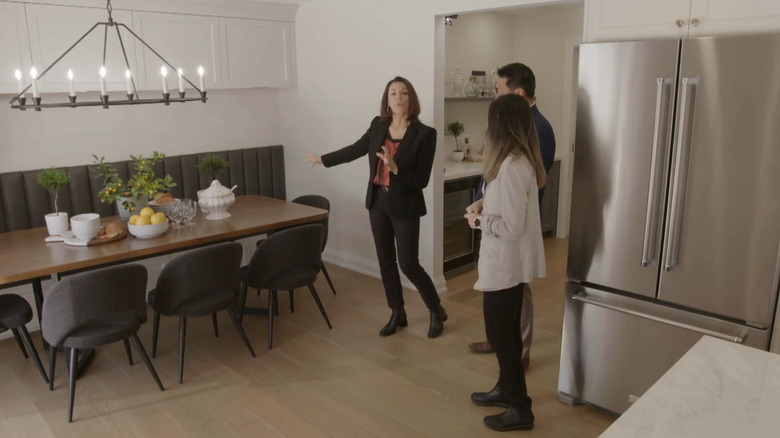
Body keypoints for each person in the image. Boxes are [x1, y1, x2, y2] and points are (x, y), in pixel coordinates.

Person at [305, 76, 447, 339]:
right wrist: (323, 160)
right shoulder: (377, 126)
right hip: (378, 203)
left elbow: (422, 180)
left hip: (405, 205)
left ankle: (436, 308)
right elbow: (356, 149)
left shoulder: (425, 134)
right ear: (387, 100)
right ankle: (397, 311)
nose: (399, 98)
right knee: (385, 261)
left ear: (411, 98)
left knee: (408, 263)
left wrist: (396, 169)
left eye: (404, 93)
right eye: (393, 93)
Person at [465, 93, 546, 432]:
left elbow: (510, 227)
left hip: (504, 265)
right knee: (508, 332)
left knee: (500, 336)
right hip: (509, 265)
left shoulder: (512, 167)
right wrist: (484, 205)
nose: (486, 125)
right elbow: (509, 208)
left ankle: (520, 408)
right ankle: (506, 388)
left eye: (489, 119)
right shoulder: (515, 162)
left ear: (499, 125)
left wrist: (478, 222)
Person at [467, 62, 556, 367]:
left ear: (516, 95)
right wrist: (485, 201)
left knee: (518, 295)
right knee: (507, 308)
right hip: (505, 229)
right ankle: (506, 347)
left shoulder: (537, 131)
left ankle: (519, 356)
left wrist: (484, 218)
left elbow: (521, 193)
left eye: (497, 90)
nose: (494, 97)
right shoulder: (518, 137)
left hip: (511, 238)